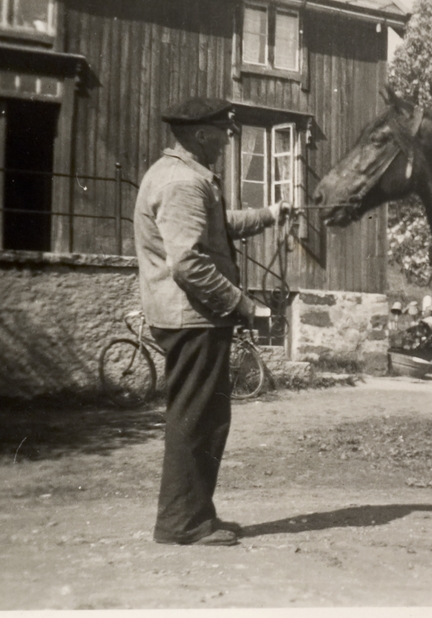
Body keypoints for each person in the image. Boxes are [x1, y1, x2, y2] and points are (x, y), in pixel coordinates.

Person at [133, 97, 289, 546]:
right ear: (203, 134)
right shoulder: (184, 182)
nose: (226, 141)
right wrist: (244, 305)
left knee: (203, 418)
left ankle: (195, 514)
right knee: (196, 419)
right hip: (193, 318)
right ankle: (183, 524)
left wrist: (270, 215)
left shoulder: (179, 175)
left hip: (190, 317)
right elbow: (189, 265)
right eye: (223, 132)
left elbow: (217, 226)